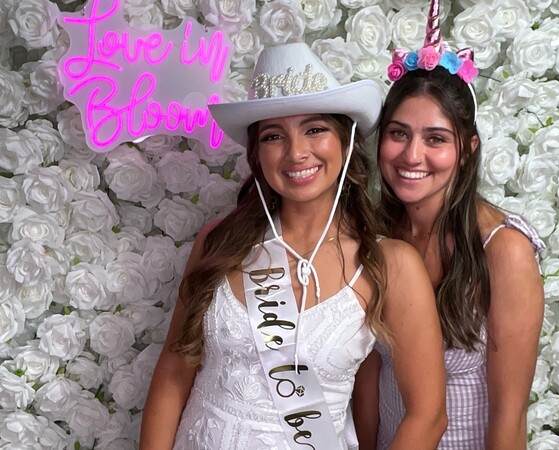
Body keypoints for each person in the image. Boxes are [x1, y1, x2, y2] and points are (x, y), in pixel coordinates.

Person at [139, 42, 447, 450]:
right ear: (257, 154)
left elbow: (428, 415)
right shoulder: (219, 242)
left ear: (345, 141)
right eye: (274, 136)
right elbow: (174, 372)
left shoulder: (391, 263)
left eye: (315, 129)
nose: (296, 152)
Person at [352, 1, 546, 449]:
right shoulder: (377, 234)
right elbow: (367, 378)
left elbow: (510, 416)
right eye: (398, 133)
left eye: (435, 138)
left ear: (468, 149)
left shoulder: (504, 249)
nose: (411, 155)